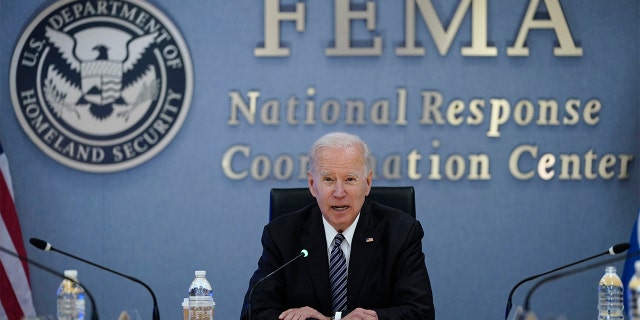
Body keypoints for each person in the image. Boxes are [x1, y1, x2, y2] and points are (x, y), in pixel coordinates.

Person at [240, 132, 435, 320]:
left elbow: (421, 312)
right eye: (328, 179)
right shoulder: (281, 235)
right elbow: (254, 312)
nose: (339, 192)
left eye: (350, 179)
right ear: (311, 184)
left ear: (367, 183)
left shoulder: (400, 232)